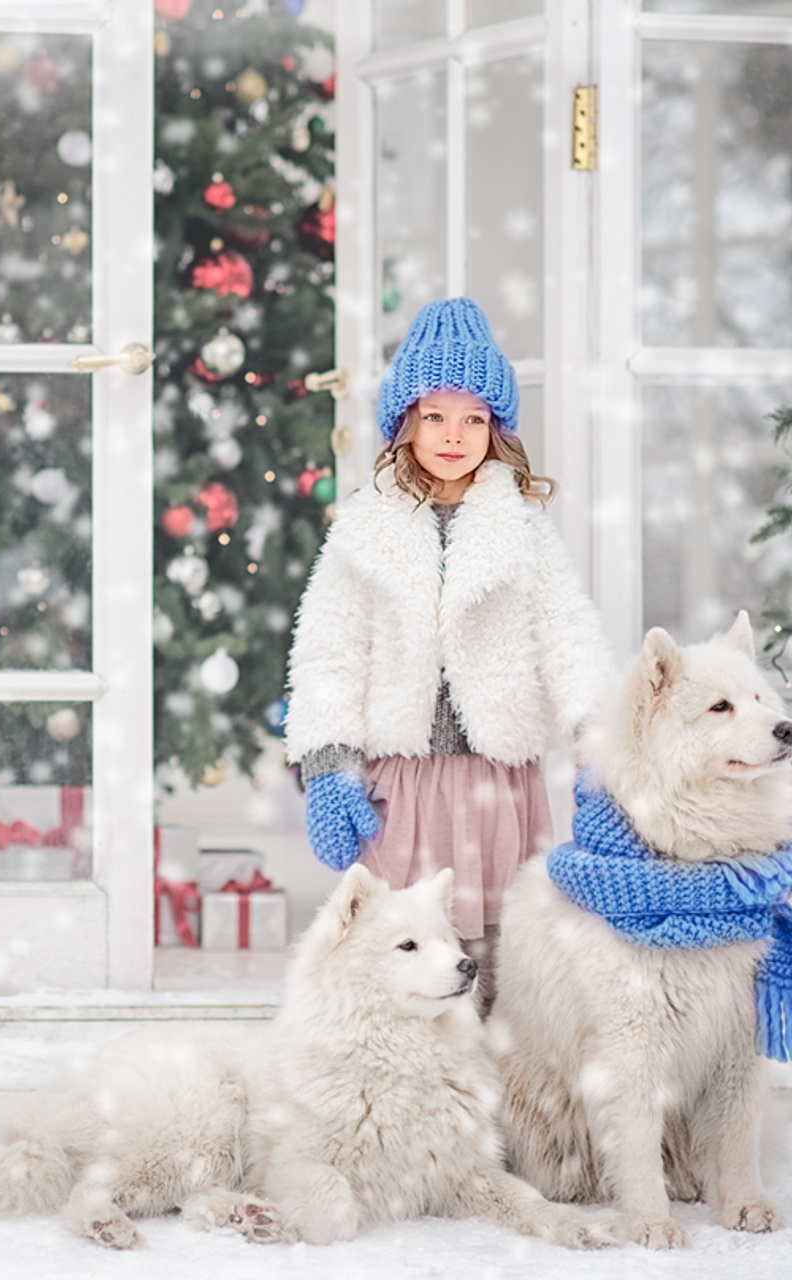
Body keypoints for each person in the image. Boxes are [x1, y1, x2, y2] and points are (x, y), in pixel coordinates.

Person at [284, 298, 614, 1012]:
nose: (454, 435)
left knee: (500, 953)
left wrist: (598, 738)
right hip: (399, 788)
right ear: (405, 422)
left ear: (497, 429)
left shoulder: (522, 530)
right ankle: (402, 1090)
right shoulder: (364, 532)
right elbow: (327, 652)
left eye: (474, 419)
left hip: (497, 785)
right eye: (435, 416)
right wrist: (330, 765)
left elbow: (567, 633)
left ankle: (498, 1090)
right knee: (402, 946)